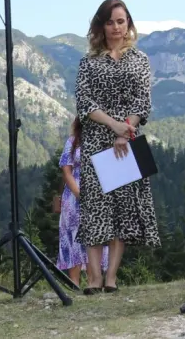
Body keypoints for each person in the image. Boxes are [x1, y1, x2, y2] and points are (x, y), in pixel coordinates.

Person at [75, 0, 161, 294]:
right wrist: (113, 125)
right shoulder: (88, 62)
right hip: (96, 142)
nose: (115, 27)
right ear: (101, 26)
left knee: (124, 210)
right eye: (109, 22)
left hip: (127, 140)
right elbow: (84, 102)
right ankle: (93, 279)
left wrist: (125, 130)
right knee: (95, 210)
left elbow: (143, 101)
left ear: (129, 24)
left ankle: (111, 277)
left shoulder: (140, 60)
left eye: (120, 21)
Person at [57, 117, 108, 287]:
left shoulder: (104, 141)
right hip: (73, 197)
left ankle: (94, 281)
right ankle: (74, 283)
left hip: (99, 193)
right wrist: (79, 193)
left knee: (97, 235)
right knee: (73, 237)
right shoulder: (72, 141)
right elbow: (66, 169)